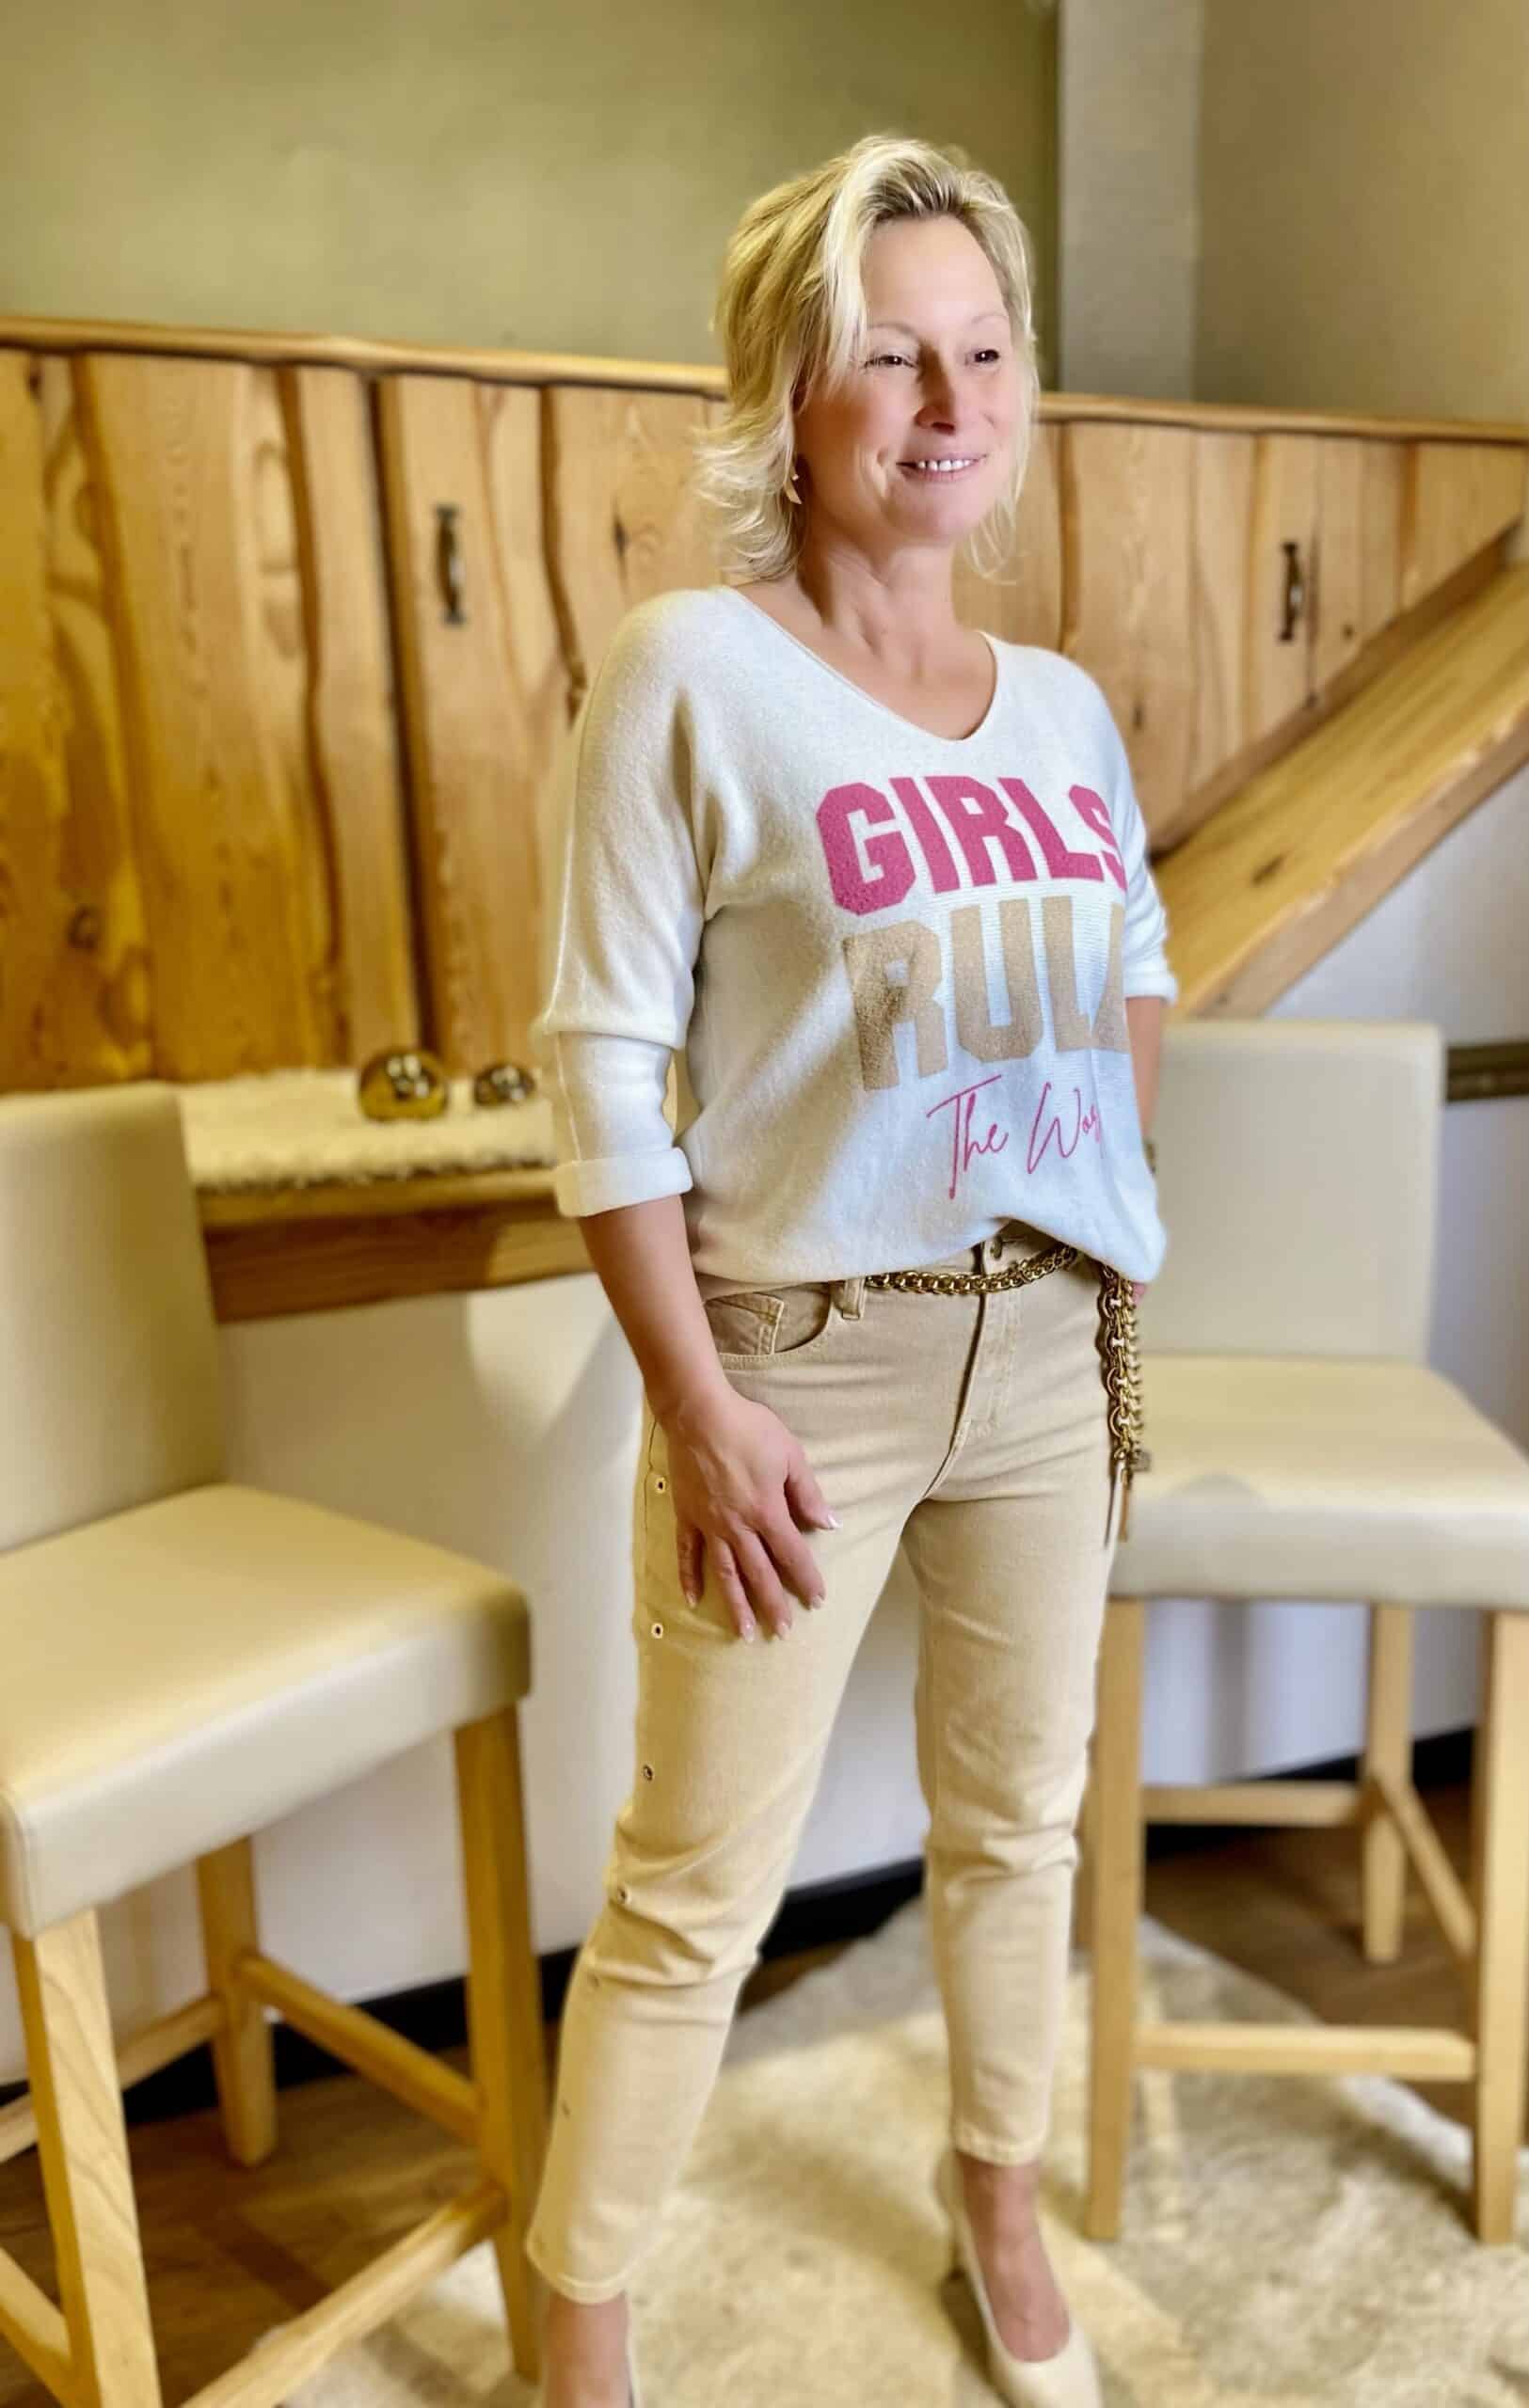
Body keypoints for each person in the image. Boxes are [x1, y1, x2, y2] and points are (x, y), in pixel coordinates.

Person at [525, 128, 1177, 2408]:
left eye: (985, 352)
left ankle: (996, 2199)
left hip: (1052, 1347)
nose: (949, 401)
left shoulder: (1063, 704)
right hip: (799, 1368)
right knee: (696, 1878)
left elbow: (1136, 955)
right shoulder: (692, 671)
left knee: (1015, 1826)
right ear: (788, 395)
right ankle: (581, 2319)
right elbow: (601, 1070)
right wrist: (701, 1404)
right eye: (892, 355)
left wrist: (1086, 1165)